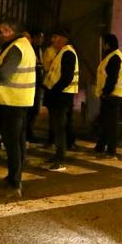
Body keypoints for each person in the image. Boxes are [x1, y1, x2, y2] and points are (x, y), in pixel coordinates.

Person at [0, 18, 36, 194]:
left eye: (2, 31)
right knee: (18, 140)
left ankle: (14, 181)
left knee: (12, 142)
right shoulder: (22, 45)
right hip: (19, 101)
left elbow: (3, 73)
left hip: (13, 102)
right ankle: (15, 177)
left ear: (10, 31)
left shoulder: (16, 48)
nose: (0, 35)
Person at [42, 27, 79, 170]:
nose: (53, 40)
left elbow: (66, 77)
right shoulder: (62, 53)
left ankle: (60, 159)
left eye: (56, 37)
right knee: (57, 128)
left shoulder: (67, 53)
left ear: (64, 39)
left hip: (61, 97)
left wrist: (54, 90)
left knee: (59, 128)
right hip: (59, 96)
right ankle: (57, 156)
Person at [94, 33, 122, 157]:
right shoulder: (112, 56)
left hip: (113, 96)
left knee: (111, 124)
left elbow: (112, 78)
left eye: (103, 43)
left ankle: (111, 150)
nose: (102, 45)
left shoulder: (114, 57)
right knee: (105, 122)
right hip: (112, 95)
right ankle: (101, 146)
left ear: (107, 44)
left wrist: (105, 93)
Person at [29, 28, 51, 144]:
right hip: (31, 84)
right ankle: (28, 132)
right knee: (31, 111)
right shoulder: (31, 49)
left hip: (38, 84)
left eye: (42, 37)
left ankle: (29, 131)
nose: (41, 40)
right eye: (39, 37)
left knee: (35, 110)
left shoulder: (40, 50)